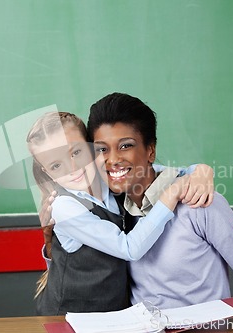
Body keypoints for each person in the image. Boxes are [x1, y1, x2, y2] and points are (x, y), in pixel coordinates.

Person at [43, 92, 233, 324]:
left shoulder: (200, 204)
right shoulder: (114, 208)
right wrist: (50, 240)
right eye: (102, 149)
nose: (112, 159)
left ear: (150, 150)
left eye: (126, 146)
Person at [26, 111, 214, 315]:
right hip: (70, 316)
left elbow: (164, 173)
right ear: (46, 171)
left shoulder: (111, 178)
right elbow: (129, 248)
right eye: (56, 165)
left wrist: (202, 172)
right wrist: (170, 196)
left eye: (76, 153)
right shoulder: (64, 207)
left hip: (114, 312)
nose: (72, 168)